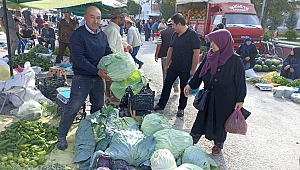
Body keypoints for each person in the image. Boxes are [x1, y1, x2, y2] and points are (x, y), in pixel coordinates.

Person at [57, 6, 113, 150]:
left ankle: (92, 134)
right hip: (82, 76)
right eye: (92, 17)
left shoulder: (102, 35)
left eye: (98, 18)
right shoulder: (78, 35)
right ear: (86, 17)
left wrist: (117, 61)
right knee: (73, 107)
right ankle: (62, 135)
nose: (95, 21)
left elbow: (108, 52)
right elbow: (79, 58)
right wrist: (97, 71)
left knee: (98, 107)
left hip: (98, 77)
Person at [183, 29, 246, 155]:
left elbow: (240, 82)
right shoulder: (210, 56)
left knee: (220, 122)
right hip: (209, 95)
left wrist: (240, 99)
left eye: (214, 42)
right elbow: (200, 73)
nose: (211, 44)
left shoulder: (235, 61)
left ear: (223, 42)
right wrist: (190, 85)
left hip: (226, 99)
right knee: (201, 118)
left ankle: (218, 144)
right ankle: (192, 139)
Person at [153, 13, 200, 117]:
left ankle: (181, 108)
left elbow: (196, 53)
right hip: (174, 66)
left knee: (184, 89)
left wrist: (193, 69)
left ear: (179, 24)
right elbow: (170, 49)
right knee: (167, 85)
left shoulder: (192, 35)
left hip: (186, 68)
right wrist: (167, 64)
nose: (172, 27)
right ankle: (161, 104)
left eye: (173, 24)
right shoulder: (175, 34)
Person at [155, 18, 179, 93]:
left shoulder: (163, 33)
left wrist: (156, 55)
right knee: (175, 71)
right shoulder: (178, 32)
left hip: (164, 55)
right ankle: (175, 84)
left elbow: (159, 44)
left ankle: (166, 87)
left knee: (165, 70)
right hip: (175, 56)